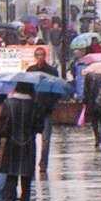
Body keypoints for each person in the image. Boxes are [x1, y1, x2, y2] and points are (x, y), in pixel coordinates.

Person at [0, 81, 40, 201]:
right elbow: (39, 127)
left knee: (11, 177)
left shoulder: (8, 103)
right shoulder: (34, 105)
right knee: (26, 180)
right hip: (28, 145)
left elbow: (2, 126)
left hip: (11, 145)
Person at [26, 47, 60, 175]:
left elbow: (57, 90)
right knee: (31, 139)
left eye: (42, 55)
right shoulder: (30, 71)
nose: (40, 57)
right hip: (33, 110)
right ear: (35, 56)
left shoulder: (52, 71)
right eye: (38, 55)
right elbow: (27, 88)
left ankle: (43, 164)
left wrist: (51, 103)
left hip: (46, 110)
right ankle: (31, 162)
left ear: (45, 56)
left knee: (46, 140)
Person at [82, 65, 101, 147]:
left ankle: (97, 137)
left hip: (91, 102)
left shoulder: (89, 75)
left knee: (94, 121)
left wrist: (85, 102)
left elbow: (86, 90)